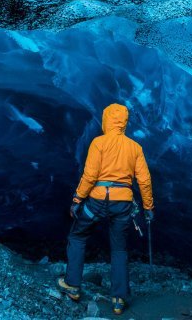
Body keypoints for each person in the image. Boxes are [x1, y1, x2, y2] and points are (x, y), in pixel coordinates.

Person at [57, 103, 154, 315]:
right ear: (124, 123)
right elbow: (144, 180)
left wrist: (77, 199)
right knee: (119, 249)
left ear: (106, 120)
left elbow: (90, 175)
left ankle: (72, 285)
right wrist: (148, 207)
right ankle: (119, 299)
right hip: (123, 205)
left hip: (97, 201)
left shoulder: (98, 143)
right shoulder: (135, 147)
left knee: (78, 236)